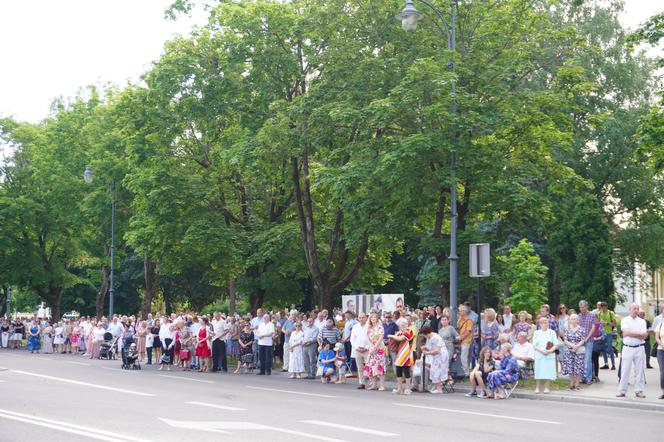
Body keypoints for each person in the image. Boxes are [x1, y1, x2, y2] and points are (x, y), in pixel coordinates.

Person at [617, 303, 648, 398]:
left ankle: (639, 390)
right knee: (625, 369)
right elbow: (625, 332)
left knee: (639, 370)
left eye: (637, 309)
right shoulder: (625, 320)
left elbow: (645, 336)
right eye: (634, 308)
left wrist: (631, 333)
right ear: (630, 309)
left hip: (639, 347)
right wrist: (639, 334)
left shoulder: (642, 321)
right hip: (627, 347)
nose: (636, 310)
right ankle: (622, 390)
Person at [388, 317, 414, 395]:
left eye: (399, 326)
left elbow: (400, 339)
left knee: (406, 371)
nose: (399, 327)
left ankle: (408, 388)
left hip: (407, 354)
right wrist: (394, 336)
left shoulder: (409, 331)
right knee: (398, 371)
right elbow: (396, 337)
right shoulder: (400, 331)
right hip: (399, 354)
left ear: (403, 325)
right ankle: (399, 388)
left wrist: (392, 336)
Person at [420, 326, 449, 394]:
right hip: (436, 356)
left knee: (437, 370)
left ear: (427, 333)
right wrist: (424, 348)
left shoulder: (436, 338)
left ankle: (439, 389)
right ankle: (437, 387)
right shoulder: (429, 337)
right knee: (434, 370)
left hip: (441, 355)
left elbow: (437, 350)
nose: (424, 336)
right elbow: (429, 347)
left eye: (424, 335)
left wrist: (427, 352)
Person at [533, 316, 558, 394]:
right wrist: (541, 351)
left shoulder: (552, 332)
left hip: (549, 354)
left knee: (548, 371)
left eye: (546, 322)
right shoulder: (536, 332)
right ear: (540, 324)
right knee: (538, 371)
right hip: (539, 354)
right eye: (542, 323)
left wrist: (549, 351)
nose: (544, 324)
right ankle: (537, 387)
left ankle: (547, 387)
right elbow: (534, 345)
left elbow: (556, 344)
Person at [364, 311, 387, 391]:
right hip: (372, 349)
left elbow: (380, 338)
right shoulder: (369, 328)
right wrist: (371, 347)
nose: (373, 319)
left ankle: (382, 385)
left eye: (374, 317)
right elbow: (368, 338)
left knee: (380, 366)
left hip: (379, 348)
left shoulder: (380, 327)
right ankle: (374, 385)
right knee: (372, 366)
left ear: (377, 318)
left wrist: (375, 347)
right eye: (371, 317)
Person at [562, 314, 586, 390]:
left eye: (575, 319)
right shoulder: (567, 329)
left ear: (578, 320)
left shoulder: (582, 329)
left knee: (578, 368)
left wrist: (576, 346)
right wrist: (572, 346)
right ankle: (571, 384)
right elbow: (565, 340)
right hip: (569, 351)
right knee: (570, 368)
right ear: (570, 320)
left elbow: (583, 340)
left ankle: (577, 384)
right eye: (572, 319)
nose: (573, 320)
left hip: (579, 351)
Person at [578, 300, 599, 384]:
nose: (582, 309)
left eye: (583, 307)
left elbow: (593, 328)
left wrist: (586, 338)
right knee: (581, 360)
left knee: (588, 360)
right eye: (580, 307)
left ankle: (589, 378)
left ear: (587, 307)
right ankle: (583, 377)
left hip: (589, 341)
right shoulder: (578, 316)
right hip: (580, 342)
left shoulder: (592, 315)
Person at [351, 312, 370, 389]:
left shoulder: (369, 326)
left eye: (363, 317)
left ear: (366, 318)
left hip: (367, 350)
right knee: (360, 367)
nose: (361, 319)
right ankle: (361, 383)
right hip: (357, 350)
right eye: (360, 318)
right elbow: (352, 339)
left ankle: (371, 383)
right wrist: (356, 347)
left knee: (369, 367)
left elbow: (371, 338)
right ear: (358, 318)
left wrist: (367, 347)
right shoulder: (355, 327)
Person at [596, 302, 616, 370]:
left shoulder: (611, 313)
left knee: (610, 349)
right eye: (602, 307)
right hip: (602, 334)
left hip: (609, 333)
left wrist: (606, 323)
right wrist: (600, 323)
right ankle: (606, 364)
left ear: (607, 307)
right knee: (603, 349)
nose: (603, 308)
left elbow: (614, 324)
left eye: (604, 307)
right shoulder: (599, 314)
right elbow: (598, 324)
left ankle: (613, 365)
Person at [457, 305, 473, 376]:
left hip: (466, 341)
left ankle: (466, 373)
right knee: (462, 357)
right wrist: (460, 318)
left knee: (463, 357)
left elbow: (468, 331)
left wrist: (462, 338)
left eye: (460, 311)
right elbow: (457, 326)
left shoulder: (469, 321)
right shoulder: (461, 319)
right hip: (461, 341)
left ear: (463, 312)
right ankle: (464, 371)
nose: (459, 312)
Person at [653, 307, 664, 399]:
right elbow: (657, 338)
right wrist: (663, 345)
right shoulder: (660, 324)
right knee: (663, 372)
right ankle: (663, 391)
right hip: (661, 350)